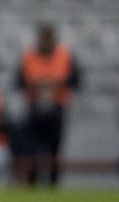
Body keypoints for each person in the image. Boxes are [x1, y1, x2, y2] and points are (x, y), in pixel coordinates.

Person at [15, 23, 80, 186]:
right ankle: (32, 185)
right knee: (32, 150)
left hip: (55, 110)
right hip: (35, 110)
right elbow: (18, 81)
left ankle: (53, 184)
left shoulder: (64, 56)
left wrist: (58, 83)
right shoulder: (29, 56)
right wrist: (35, 85)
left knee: (54, 151)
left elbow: (76, 80)